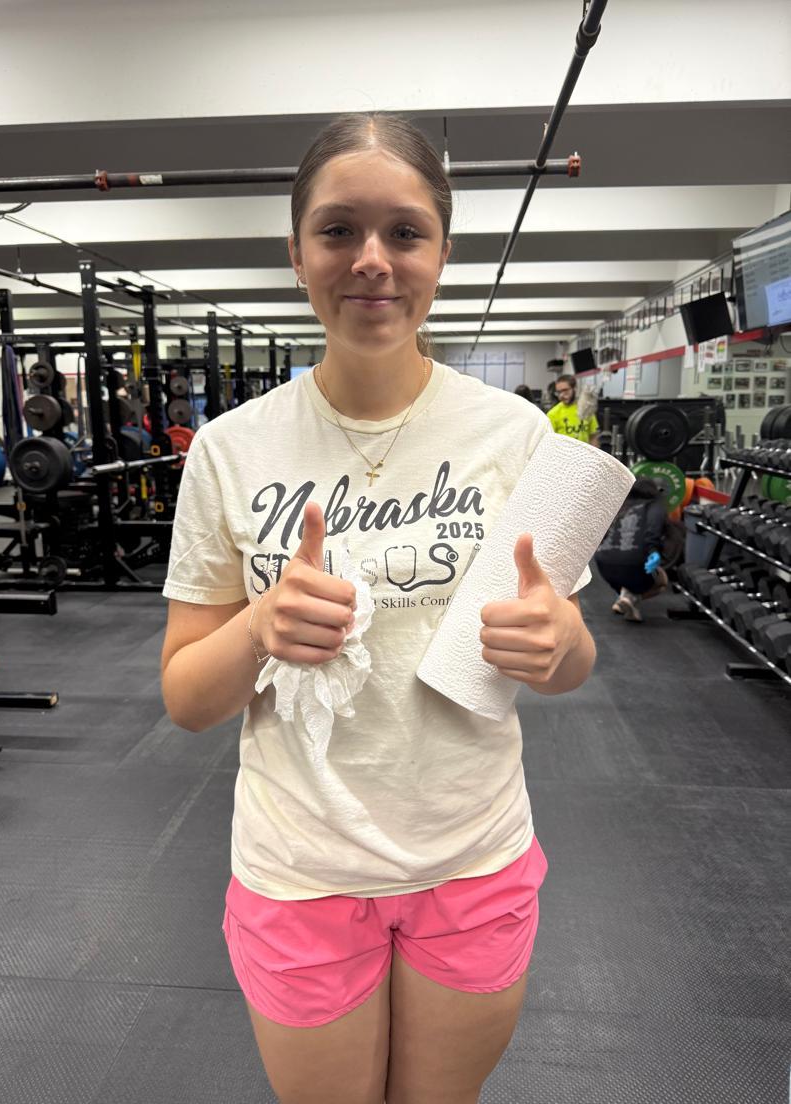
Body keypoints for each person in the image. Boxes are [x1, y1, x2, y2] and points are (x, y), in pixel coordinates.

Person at [160, 112, 596, 1104]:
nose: (371, 260)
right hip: (300, 867)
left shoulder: (516, 434)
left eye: (404, 232)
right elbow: (186, 698)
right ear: (297, 253)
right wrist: (259, 628)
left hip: (472, 855)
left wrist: (564, 641)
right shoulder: (230, 448)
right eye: (337, 230)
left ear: (441, 253)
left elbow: (569, 664)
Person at [593, 477, 674, 621]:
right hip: (633, 563)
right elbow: (653, 530)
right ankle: (631, 598)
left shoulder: (620, 505)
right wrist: (653, 551)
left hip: (603, 563)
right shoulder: (654, 505)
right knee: (662, 581)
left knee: (624, 576)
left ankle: (623, 598)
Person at [547, 373, 600, 446]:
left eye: (565, 390)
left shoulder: (586, 409)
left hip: (584, 452)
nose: (561, 395)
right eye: (559, 392)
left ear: (575, 388)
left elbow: (593, 436)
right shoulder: (552, 414)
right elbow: (549, 442)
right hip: (564, 452)